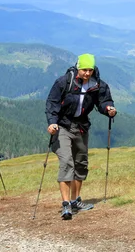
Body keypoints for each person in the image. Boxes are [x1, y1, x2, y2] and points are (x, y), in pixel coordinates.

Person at [45, 53, 117, 220]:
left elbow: (104, 101)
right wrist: (52, 122)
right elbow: (52, 103)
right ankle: (66, 205)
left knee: (81, 163)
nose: (87, 73)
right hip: (62, 126)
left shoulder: (97, 84)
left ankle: (75, 200)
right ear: (78, 67)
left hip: (81, 127)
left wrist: (109, 109)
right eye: (85, 69)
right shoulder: (64, 82)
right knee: (66, 162)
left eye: (90, 70)